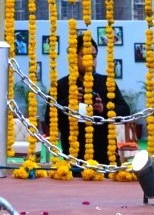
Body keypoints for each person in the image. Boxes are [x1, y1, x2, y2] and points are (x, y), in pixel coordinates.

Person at [49, 33, 137, 171]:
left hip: (106, 157)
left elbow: (125, 110)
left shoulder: (107, 82)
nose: (91, 60)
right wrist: (68, 102)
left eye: (94, 56)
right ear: (74, 58)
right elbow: (49, 119)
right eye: (85, 55)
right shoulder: (60, 86)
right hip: (74, 158)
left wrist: (104, 109)